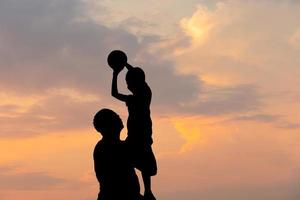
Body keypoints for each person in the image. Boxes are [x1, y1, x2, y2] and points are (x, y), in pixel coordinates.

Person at [111, 64, 157, 200]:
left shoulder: (144, 95)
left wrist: (118, 70)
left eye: (128, 83)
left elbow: (114, 93)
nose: (127, 86)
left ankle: (147, 191)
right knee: (141, 165)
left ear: (136, 83)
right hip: (134, 138)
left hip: (141, 137)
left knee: (144, 165)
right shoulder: (138, 97)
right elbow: (114, 94)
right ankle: (145, 190)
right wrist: (123, 65)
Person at [93, 108, 141, 200]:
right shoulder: (110, 147)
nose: (119, 117)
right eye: (115, 117)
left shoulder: (110, 145)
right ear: (108, 125)